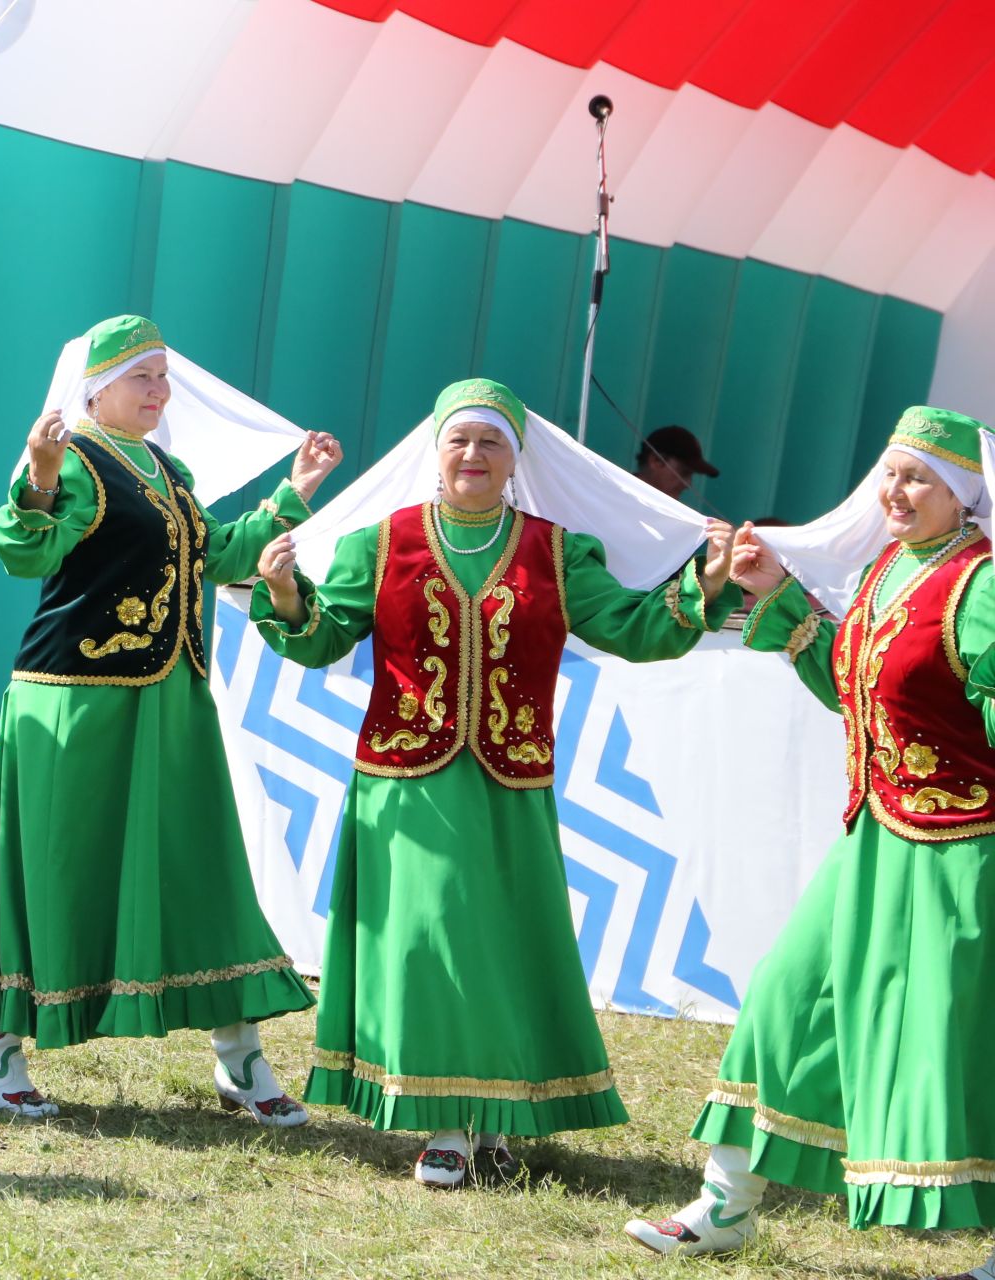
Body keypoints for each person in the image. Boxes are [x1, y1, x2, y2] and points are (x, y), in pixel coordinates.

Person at [253, 377, 737, 1185]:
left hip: (512, 784)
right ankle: (445, 1116)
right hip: (408, 782)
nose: (473, 454)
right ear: (434, 451)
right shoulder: (379, 544)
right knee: (434, 942)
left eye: (491, 442)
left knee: (504, 949)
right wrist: (282, 592)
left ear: (514, 459)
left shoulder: (556, 550)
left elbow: (635, 627)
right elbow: (321, 638)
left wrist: (707, 583)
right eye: (459, 440)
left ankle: (495, 1117)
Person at [624, 407, 995, 1267]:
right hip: (874, 841)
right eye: (892, 474)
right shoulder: (887, 571)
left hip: (963, 852)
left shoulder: (979, 588)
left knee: (964, 1041)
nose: (898, 492)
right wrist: (773, 593)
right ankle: (724, 1205)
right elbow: (851, 687)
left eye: (920, 479)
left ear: (963, 495)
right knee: (786, 998)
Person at [0, 315, 340, 1126]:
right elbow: (21, 550)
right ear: (96, 388)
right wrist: (36, 472)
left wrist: (297, 490)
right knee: (62, 871)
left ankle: (239, 1057)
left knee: (197, 866)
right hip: (79, 699)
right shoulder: (78, 460)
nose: (161, 390)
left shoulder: (168, 469)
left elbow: (220, 557)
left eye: (164, 376)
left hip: (170, 701)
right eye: (144, 376)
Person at [634, 425, 719, 501]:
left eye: (690, 475)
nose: (688, 484)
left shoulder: (672, 515)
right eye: (684, 473)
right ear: (656, 460)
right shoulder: (621, 498)